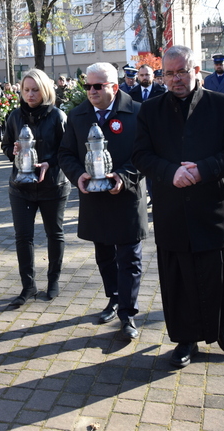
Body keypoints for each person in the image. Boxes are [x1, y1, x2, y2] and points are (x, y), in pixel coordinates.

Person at [133, 45, 224, 368]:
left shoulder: (220, 104)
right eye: (168, 73)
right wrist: (172, 172)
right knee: (178, 278)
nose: (175, 79)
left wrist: (203, 170)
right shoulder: (150, 111)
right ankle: (185, 339)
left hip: (212, 206)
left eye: (182, 71)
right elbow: (141, 155)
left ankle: (222, 327)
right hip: (172, 209)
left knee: (220, 276)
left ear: (196, 70)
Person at [59, 62, 147, 340]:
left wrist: (122, 176)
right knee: (104, 256)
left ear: (114, 87)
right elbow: (66, 154)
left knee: (129, 257)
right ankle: (114, 298)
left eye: (98, 86)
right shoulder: (77, 115)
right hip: (95, 200)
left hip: (127, 197)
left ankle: (128, 314)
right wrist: (79, 175)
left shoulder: (137, 112)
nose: (92, 91)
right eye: (87, 86)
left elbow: (145, 154)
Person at [2, 69, 70, 307]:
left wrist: (48, 163)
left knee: (55, 234)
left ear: (45, 90)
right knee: (23, 237)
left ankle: (53, 281)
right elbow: (5, 145)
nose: (30, 95)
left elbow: (68, 151)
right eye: (26, 90)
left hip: (53, 184)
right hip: (21, 187)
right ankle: (28, 285)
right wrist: (13, 151)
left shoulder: (58, 116)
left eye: (35, 90)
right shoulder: (14, 116)